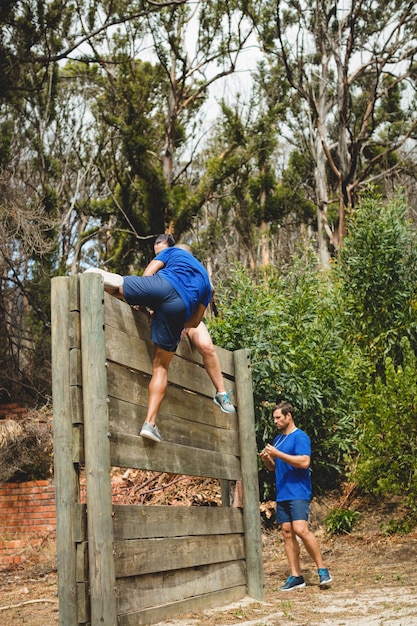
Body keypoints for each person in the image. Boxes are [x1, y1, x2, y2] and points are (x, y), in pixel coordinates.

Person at [85, 241, 212, 443]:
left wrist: (144, 300)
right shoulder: (206, 279)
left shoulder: (171, 252)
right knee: (161, 368)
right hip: (181, 307)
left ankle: (102, 277)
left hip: (161, 285)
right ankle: (150, 424)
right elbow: (195, 321)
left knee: (120, 288)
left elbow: (148, 274)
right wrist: (174, 320)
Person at [153, 235, 235, 414]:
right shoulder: (163, 270)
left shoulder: (198, 275)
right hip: (168, 313)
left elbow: (200, 311)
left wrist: (186, 325)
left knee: (206, 346)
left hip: (190, 318)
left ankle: (221, 392)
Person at [260, 401, 332, 591]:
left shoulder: (300, 437)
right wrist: (268, 459)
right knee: (286, 532)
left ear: (288, 416)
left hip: (298, 491)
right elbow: (274, 467)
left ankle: (322, 570)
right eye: (274, 418)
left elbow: (304, 462)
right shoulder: (278, 440)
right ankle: (296, 576)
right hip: (282, 492)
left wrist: (278, 453)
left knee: (301, 529)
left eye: (278, 417)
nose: (275, 421)